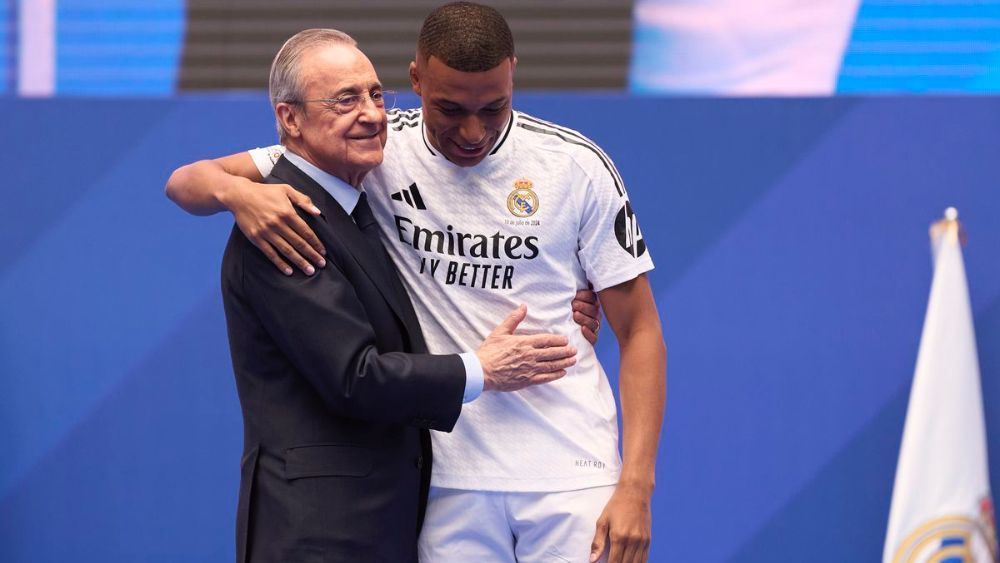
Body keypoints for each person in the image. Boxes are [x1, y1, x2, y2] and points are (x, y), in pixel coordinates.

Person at [166, 3, 666, 563]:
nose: (472, 132)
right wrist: (239, 195)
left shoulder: (575, 167)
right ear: (416, 80)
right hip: (446, 483)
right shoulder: (375, 148)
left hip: (573, 472)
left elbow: (641, 329)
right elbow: (188, 181)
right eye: (449, 108)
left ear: (513, 75)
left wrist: (636, 487)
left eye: (494, 107)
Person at [215, 28, 580, 562]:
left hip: (377, 528)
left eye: (375, 94)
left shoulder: (356, 208)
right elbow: (354, 377)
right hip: (318, 536)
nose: (371, 113)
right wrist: (483, 369)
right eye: (345, 99)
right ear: (290, 119)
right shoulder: (282, 219)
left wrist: (566, 298)